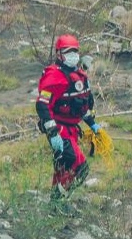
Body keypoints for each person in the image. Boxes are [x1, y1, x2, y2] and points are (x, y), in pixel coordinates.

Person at [36, 34, 98, 198]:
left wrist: (93, 125)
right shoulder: (54, 76)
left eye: (75, 51)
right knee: (75, 165)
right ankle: (57, 199)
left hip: (72, 130)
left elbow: (81, 105)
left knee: (67, 167)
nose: (73, 55)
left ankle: (57, 201)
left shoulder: (80, 76)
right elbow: (42, 105)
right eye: (68, 52)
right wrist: (52, 133)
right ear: (59, 54)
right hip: (59, 128)